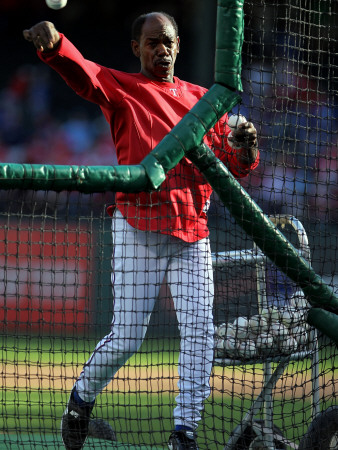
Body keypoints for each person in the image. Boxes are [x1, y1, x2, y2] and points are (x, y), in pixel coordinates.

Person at [23, 12, 259, 450]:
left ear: (178, 46)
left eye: (167, 41)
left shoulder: (203, 99)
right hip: (138, 227)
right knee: (128, 335)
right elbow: (85, 74)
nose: (161, 49)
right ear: (136, 48)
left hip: (193, 232)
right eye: (152, 42)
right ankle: (79, 404)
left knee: (200, 332)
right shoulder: (124, 89)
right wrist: (55, 46)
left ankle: (184, 434)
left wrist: (247, 146)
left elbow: (237, 164)